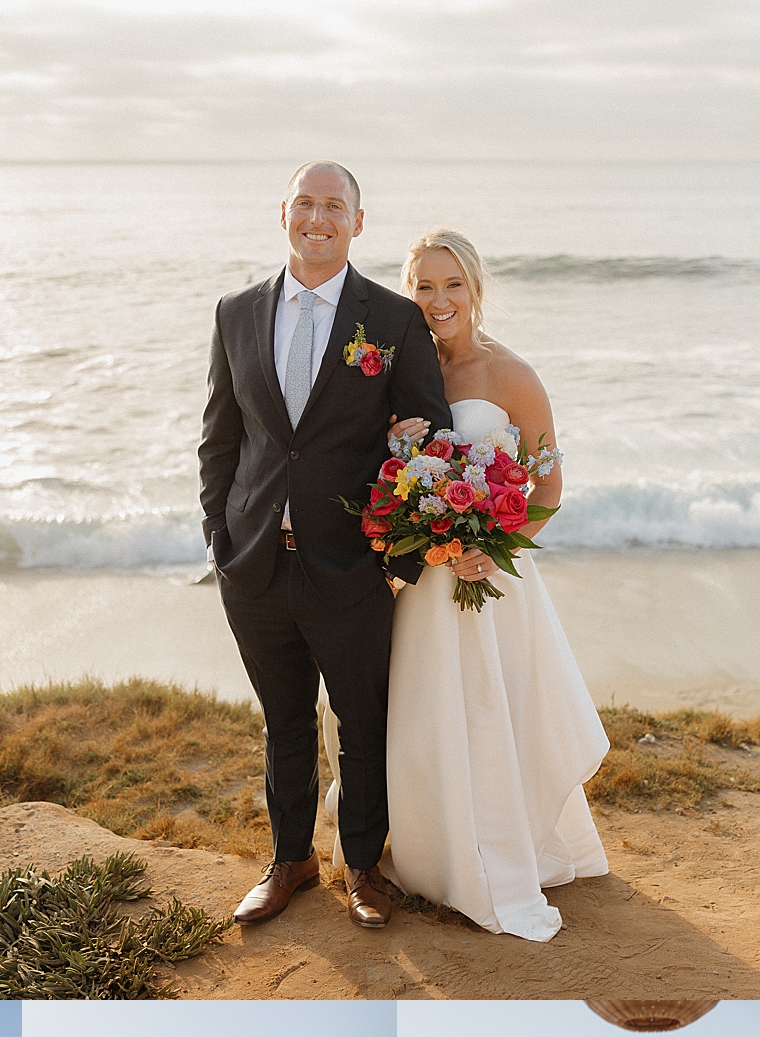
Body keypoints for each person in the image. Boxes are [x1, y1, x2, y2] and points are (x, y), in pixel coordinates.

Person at [199, 161, 451, 931]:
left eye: (333, 206)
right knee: (284, 722)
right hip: (255, 565)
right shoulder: (236, 312)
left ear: (358, 222)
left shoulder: (394, 320)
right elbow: (220, 439)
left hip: (352, 567)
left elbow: (430, 442)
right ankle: (289, 860)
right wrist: (221, 540)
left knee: (361, 723)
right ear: (284, 213)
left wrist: (398, 562)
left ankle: (363, 868)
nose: (318, 218)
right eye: (305, 203)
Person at [381, 229, 609, 941]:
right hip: (424, 580)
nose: (438, 300)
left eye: (452, 285)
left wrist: (491, 547)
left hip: (490, 578)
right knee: (425, 715)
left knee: (489, 714)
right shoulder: (399, 372)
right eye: (424, 286)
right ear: (409, 290)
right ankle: (431, 854)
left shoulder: (512, 375)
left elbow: (548, 484)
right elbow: (380, 474)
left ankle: (495, 853)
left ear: (476, 289)